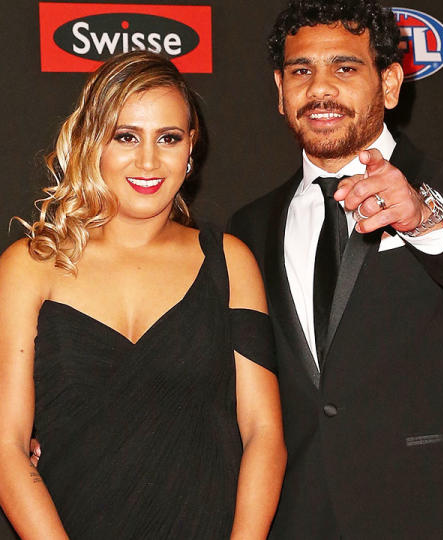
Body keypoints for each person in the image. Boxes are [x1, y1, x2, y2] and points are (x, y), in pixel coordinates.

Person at [0, 51, 285, 539]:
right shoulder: (29, 266)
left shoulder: (228, 262)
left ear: (191, 148)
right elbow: (5, 446)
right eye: (126, 136)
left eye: (168, 138)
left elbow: (264, 434)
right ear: (94, 142)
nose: (148, 161)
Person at [227, 0, 443, 537]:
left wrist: (424, 218)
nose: (320, 90)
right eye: (301, 71)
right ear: (279, 90)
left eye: (345, 68)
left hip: (430, 512)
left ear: (389, 84)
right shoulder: (246, 228)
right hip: (298, 516)